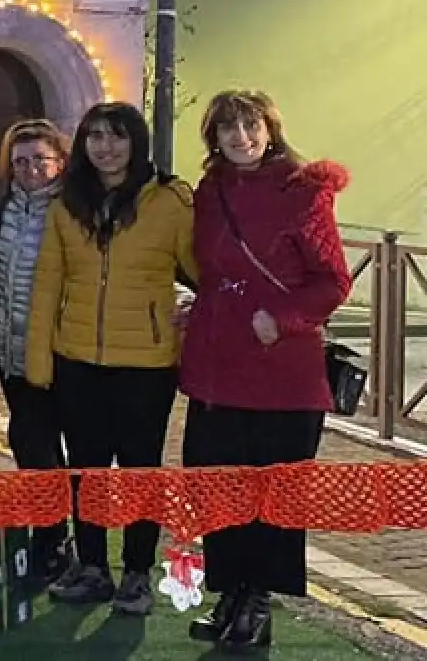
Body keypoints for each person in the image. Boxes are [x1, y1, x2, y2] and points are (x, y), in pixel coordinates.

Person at [181, 91, 350, 652]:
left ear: (270, 130)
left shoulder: (301, 192)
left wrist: (281, 317)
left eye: (250, 125)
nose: (240, 137)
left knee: (272, 495)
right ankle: (228, 591)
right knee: (216, 486)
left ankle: (258, 601)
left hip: (282, 372)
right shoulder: (210, 192)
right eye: (227, 127)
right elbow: (209, 266)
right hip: (218, 368)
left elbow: (332, 280)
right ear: (214, 138)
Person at [25, 102, 195, 617]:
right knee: (87, 470)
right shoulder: (66, 203)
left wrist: (200, 308)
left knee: (141, 469)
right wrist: (39, 362)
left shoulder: (171, 200)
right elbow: (48, 283)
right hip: (77, 357)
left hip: (146, 362)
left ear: (135, 143)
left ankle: (139, 572)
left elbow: (202, 269)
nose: (106, 147)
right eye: (96, 137)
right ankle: (93, 565)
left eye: (117, 137)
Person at [0, 119, 72, 585]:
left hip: (57, 349)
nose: (31, 168)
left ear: (59, 161)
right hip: (11, 349)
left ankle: (62, 542)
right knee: (30, 445)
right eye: (21, 160)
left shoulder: (73, 208)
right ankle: (48, 534)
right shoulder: (5, 208)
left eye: (41, 158)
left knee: (60, 449)